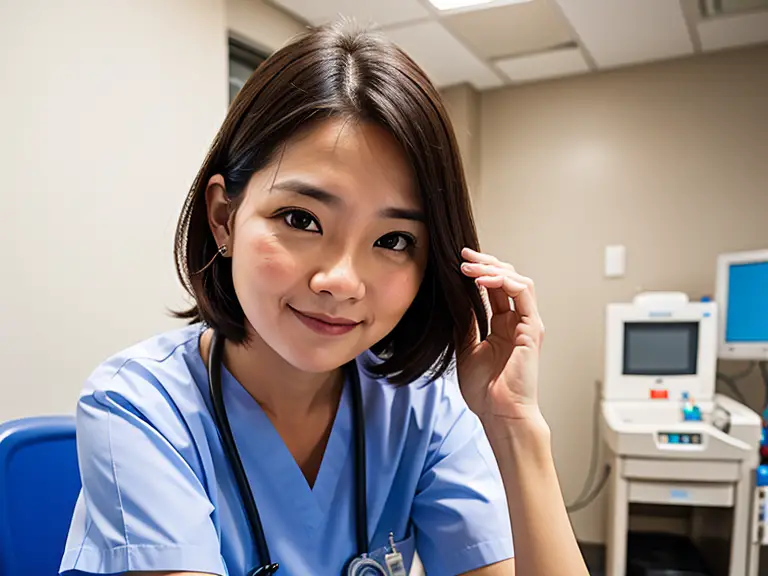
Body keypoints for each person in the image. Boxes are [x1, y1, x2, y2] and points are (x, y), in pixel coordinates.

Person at [59, 21, 589, 576]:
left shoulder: (422, 410)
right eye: (300, 218)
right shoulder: (140, 408)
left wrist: (514, 426)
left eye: (393, 240)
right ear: (224, 219)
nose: (341, 280)